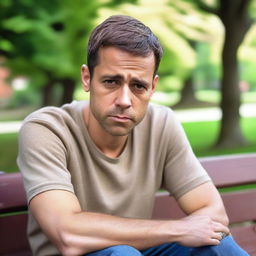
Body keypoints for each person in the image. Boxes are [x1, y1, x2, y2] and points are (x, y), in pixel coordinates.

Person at [18, 15, 249, 256]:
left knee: (217, 246)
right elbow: (68, 234)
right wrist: (177, 229)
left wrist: (185, 231)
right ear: (87, 78)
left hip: (137, 251)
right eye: (111, 82)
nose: (124, 101)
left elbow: (213, 214)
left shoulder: (161, 123)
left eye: (138, 86)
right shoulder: (46, 129)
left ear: (153, 86)